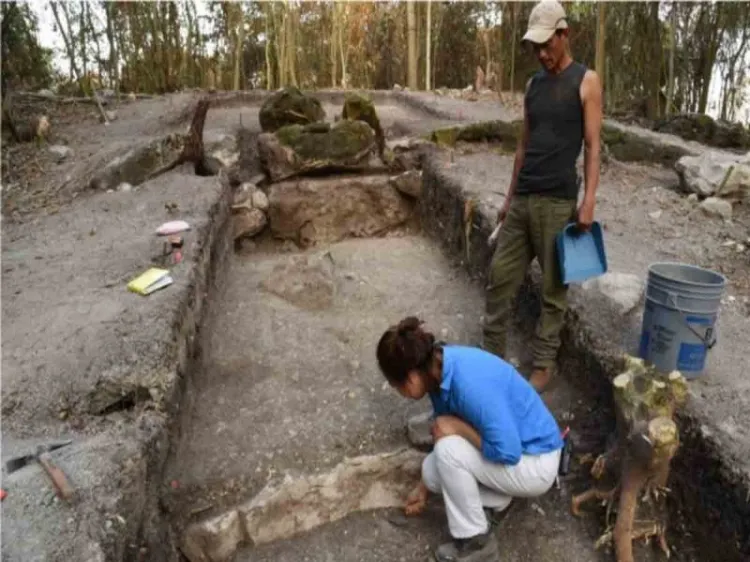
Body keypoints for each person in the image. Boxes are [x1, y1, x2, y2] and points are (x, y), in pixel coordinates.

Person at [483, 0, 603, 393]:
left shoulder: (587, 81)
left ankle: (543, 364)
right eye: (536, 47)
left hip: (557, 203)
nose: (541, 53)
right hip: (523, 200)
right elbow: (522, 147)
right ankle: (490, 358)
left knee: (554, 290)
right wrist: (507, 199)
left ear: (564, 34)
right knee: (500, 278)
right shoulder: (533, 85)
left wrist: (588, 201)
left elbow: (592, 145)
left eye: (547, 44)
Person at [376, 317, 564, 562]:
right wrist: (422, 490)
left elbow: (508, 452)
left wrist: (458, 428)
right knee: (432, 474)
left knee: (448, 452)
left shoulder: (468, 384)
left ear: (411, 377)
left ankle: (478, 543)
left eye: (396, 386)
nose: (399, 393)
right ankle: (496, 500)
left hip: (536, 461)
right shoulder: (436, 368)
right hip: (515, 451)